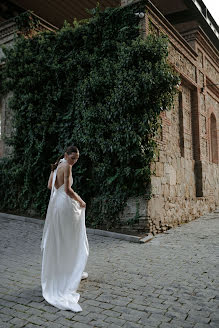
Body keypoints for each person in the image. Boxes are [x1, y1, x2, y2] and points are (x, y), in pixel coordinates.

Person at [40, 145, 89, 312]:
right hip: (65, 204)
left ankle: (66, 270)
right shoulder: (66, 167)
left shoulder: (57, 165)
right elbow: (68, 190)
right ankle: (70, 270)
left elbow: (49, 186)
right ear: (66, 155)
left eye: (76, 159)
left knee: (60, 239)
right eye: (73, 158)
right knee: (70, 238)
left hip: (55, 206)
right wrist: (81, 201)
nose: (74, 161)